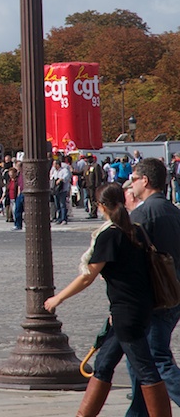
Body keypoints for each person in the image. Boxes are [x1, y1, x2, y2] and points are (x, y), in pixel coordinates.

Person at [43, 183, 170, 417]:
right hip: (138, 308)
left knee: (145, 369)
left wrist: (57, 299)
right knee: (103, 364)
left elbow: (87, 277)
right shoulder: (136, 230)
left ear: (101, 206)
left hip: (126, 314)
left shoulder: (111, 235)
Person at [125, 158, 180, 417]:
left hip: (154, 297)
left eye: (134, 178)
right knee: (139, 360)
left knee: (155, 357)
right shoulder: (173, 210)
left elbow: (131, 261)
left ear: (145, 181)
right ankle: (139, 412)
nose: (131, 183)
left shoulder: (142, 214)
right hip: (174, 293)